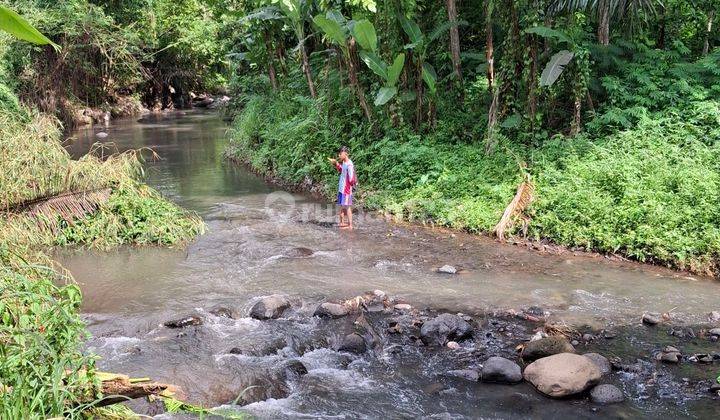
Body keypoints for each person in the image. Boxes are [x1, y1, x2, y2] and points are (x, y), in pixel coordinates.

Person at [328, 146, 357, 229]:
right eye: (339, 153)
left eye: (340, 153)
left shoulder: (349, 164)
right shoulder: (344, 162)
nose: (339, 155)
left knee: (347, 206)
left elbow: (351, 179)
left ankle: (350, 225)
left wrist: (352, 185)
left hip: (346, 190)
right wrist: (336, 164)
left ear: (346, 153)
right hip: (341, 188)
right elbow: (341, 170)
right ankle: (342, 223)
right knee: (341, 205)